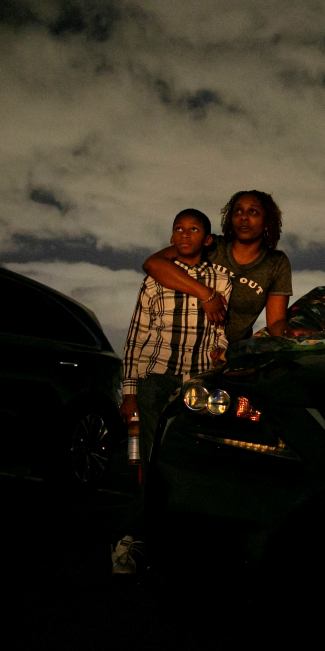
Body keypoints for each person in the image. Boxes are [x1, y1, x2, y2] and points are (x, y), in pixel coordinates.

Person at [113, 208, 231, 574]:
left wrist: (221, 350)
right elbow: (136, 336)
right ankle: (135, 541)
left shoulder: (221, 279)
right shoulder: (154, 281)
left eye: (193, 229)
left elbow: (219, 329)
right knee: (147, 459)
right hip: (156, 376)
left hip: (196, 381)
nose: (184, 235)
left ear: (207, 240)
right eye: (178, 229)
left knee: (191, 457)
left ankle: (188, 543)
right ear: (171, 238)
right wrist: (129, 390)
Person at [142, 191, 293, 346]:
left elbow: (276, 322)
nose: (243, 217)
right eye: (238, 211)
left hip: (228, 356)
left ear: (267, 222)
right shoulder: (210, 246)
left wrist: (293, 335)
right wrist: (206, 294)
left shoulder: (276, 263)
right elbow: (153, 263)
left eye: (253, 212)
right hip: (181, 348)